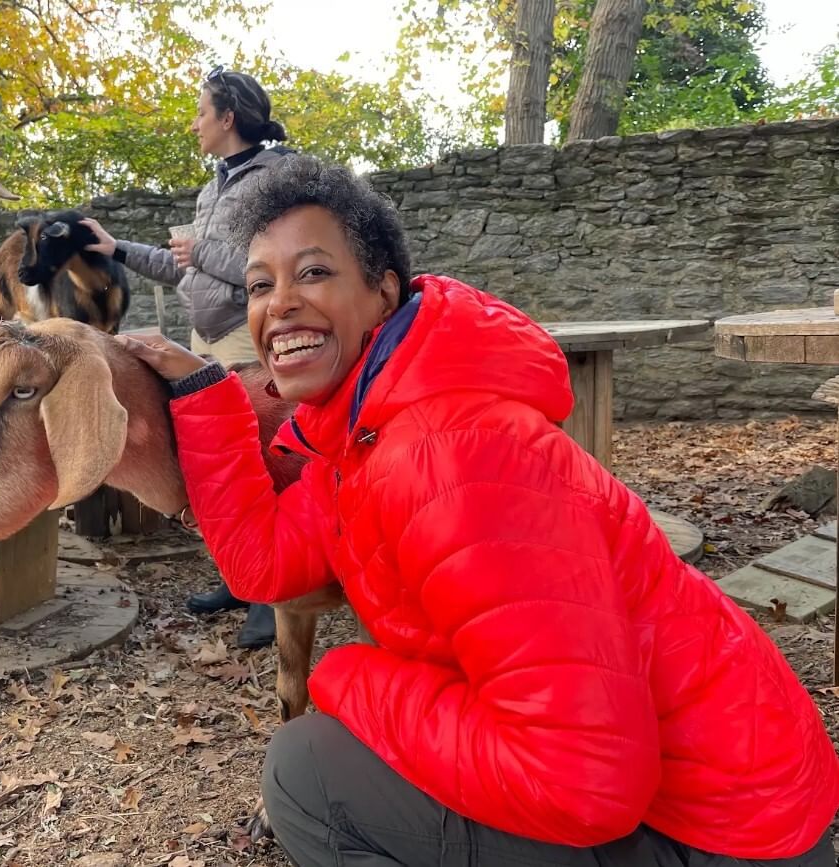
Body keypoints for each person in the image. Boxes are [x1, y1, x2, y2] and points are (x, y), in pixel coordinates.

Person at [114, 154, 839, 867]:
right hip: (722, 795)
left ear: (382, 293)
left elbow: (584, 786)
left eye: (313, 272)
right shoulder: (360, 436)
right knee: (318, 755)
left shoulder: (448, 459)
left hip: (733, 830)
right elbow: (262, 563)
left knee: (306, 774)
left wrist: (346, 679)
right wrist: (202, 395)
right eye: (258, 284)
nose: (279, 304)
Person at [83, 65, 294, 649]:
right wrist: (116, 248)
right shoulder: (213, 186)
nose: (194, 122)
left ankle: (270, 593)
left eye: (202, 112)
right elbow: (183, 265)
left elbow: (273, 268)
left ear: (228, 118)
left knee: (261, 465)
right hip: (205, 342)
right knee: (216, 465)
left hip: (249, 336)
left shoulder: (276, 177)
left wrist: (204, 252)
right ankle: (236, 573)